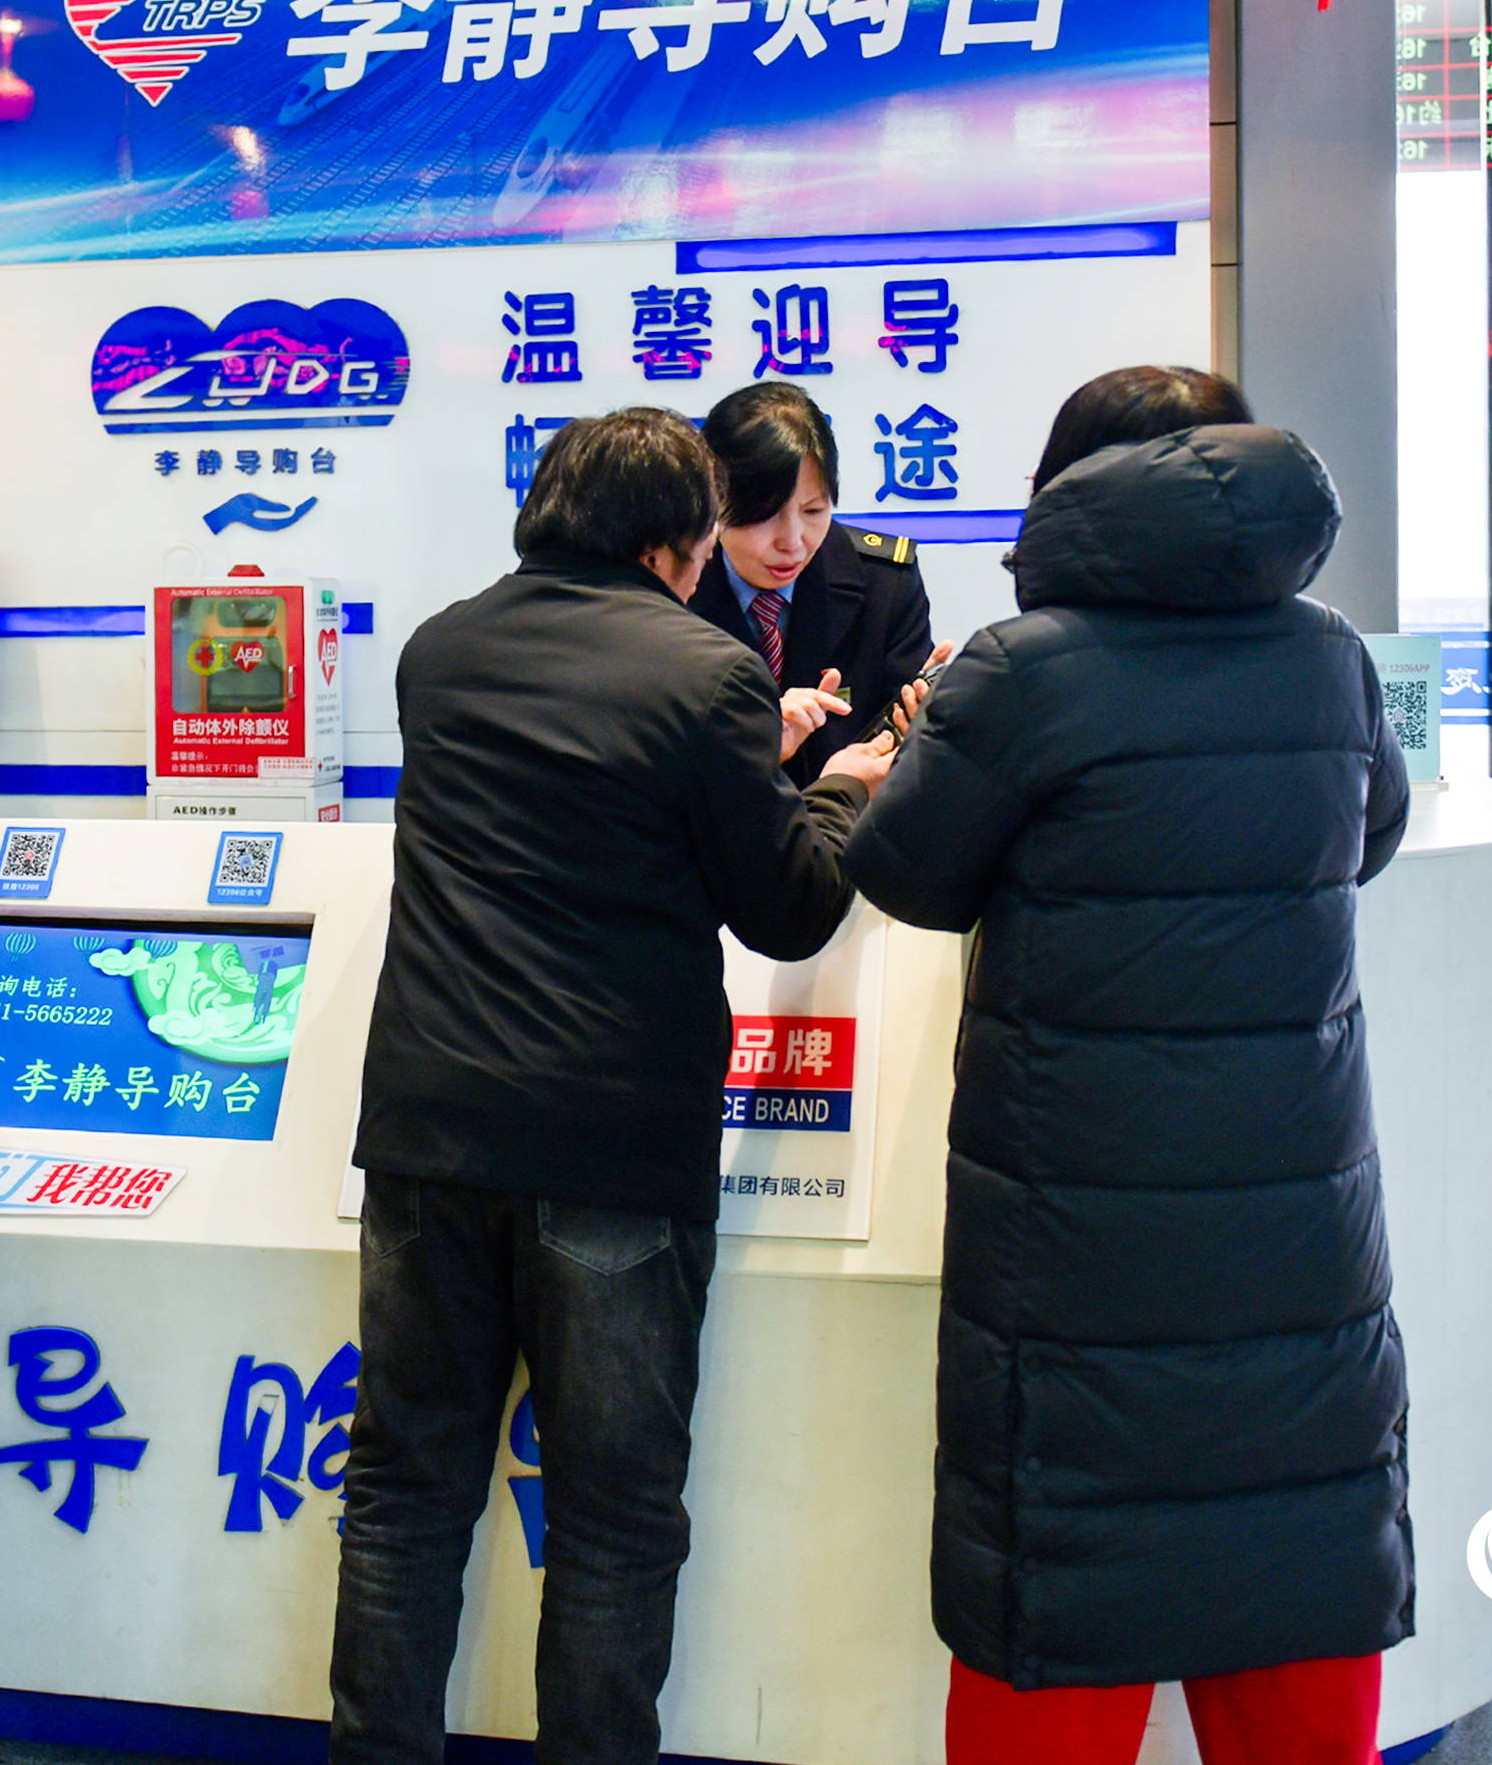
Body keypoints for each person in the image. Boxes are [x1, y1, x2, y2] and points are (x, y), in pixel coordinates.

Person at [843, 365, 1414, 1765]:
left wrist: (914, 752)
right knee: (1295, 1568)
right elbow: (1372, 835)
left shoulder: (1021, 668)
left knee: (1065, 1592)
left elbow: (906, 871)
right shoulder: (1330, 654)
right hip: (1296, 1240)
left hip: (1074, 1246)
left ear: (1077, 488)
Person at [335, 406, 896, 1765]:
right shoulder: (706, 675)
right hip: (611, 1145)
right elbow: (788, 910)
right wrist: (841, 790)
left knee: (404, 1497)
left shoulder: (440, 649)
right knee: (612, 1517)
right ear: (674, 544)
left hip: (426, 1133)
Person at [686, 381, 947, 782]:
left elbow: (906, 756)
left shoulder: (885, 581)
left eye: (813, 511)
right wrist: (753, 742)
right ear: (713, 501)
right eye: (765, 515)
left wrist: (923, 721)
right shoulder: (670, 587)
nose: (792, 542)